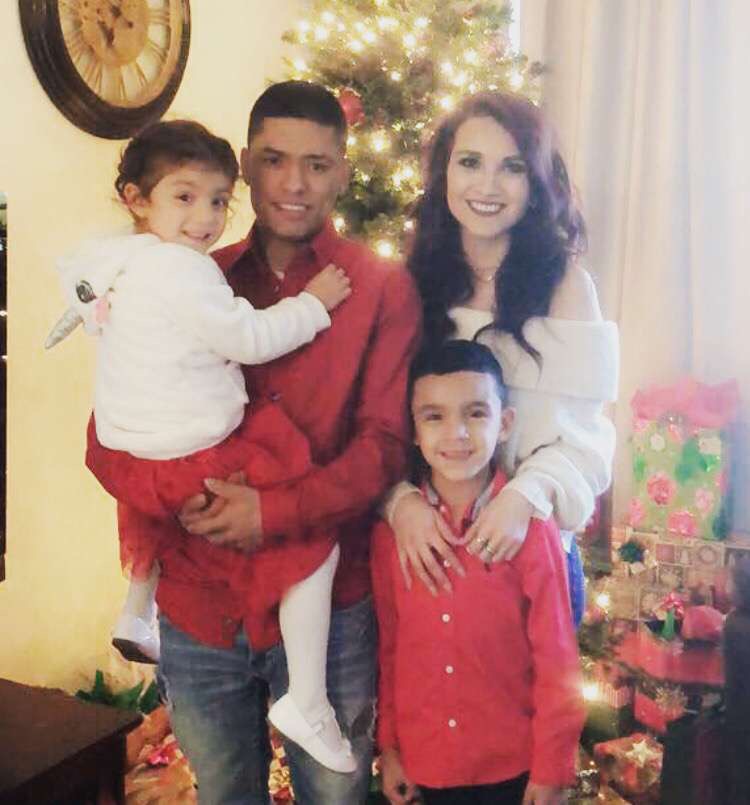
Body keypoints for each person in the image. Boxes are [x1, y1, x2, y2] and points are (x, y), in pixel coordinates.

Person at [85, 82, 421, 804]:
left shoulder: (378, 287)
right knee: (224, 793)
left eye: (317, 164)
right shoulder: (186, 273)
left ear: (343, 172)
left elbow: (386, 447)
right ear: (244, 165)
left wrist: (271, 513)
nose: (294, 183)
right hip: (202, 605)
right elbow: (111, 428)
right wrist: (174, 493)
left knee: (335, 796)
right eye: (274, 160)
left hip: (329, 615)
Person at [50, 118, 360, 771]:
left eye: (219, 200)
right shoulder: (185, 272)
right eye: (185, 197)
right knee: (313, 546)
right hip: (193, 447)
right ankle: (307, 699)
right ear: (137, 198)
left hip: (136, 445)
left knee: (153, 515)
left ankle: (136, 611)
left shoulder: (117, 260)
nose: (206, 218)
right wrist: (314, 304)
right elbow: (250, 338)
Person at [387, 92, 619, 624]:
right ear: (443, 173)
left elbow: (588, 444)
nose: (487, 186)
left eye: (511, 167)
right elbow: (380, 425)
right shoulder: (409, 282)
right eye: (470, 162)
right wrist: (400, 503)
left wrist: (524, 496)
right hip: (430, 556)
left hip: (531, 557)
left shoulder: (566, 288)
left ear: (535, 183)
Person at [372, 340, 584, 805]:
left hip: (514, 767)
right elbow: (390, 649)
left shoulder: (532, 529)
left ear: (504, 424)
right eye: (434, 417)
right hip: (426, 762)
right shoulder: (392, 536)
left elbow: (556, 657)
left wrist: (553, 767)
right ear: (413, 430)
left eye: (475, 413)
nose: (457, 434)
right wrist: (389, 746)